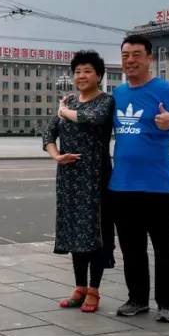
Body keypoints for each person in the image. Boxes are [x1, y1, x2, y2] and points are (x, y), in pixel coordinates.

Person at [110, 34, 169, 323]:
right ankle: (137, 299)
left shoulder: (165, 90)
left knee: (164, 248)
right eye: (125, 55)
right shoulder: (117, 95)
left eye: (136, 54)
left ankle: (167, 303)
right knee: (131, 248)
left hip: (158, 187)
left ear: (150, 58)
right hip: (122, 186)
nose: (130, 60)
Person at [43, 50, 116, 313]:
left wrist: (64, 111)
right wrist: (57, 156)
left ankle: (94, 290)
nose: (81, 76)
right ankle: (79, 287)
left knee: (95, 232)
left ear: (98, 75)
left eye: (87, 71)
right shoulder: (70, 102)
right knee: (75, 231)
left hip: (95, 177)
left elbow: (91, 119)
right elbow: (48, 133)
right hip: (69, 179)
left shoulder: (105, 101)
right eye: (77, 71)